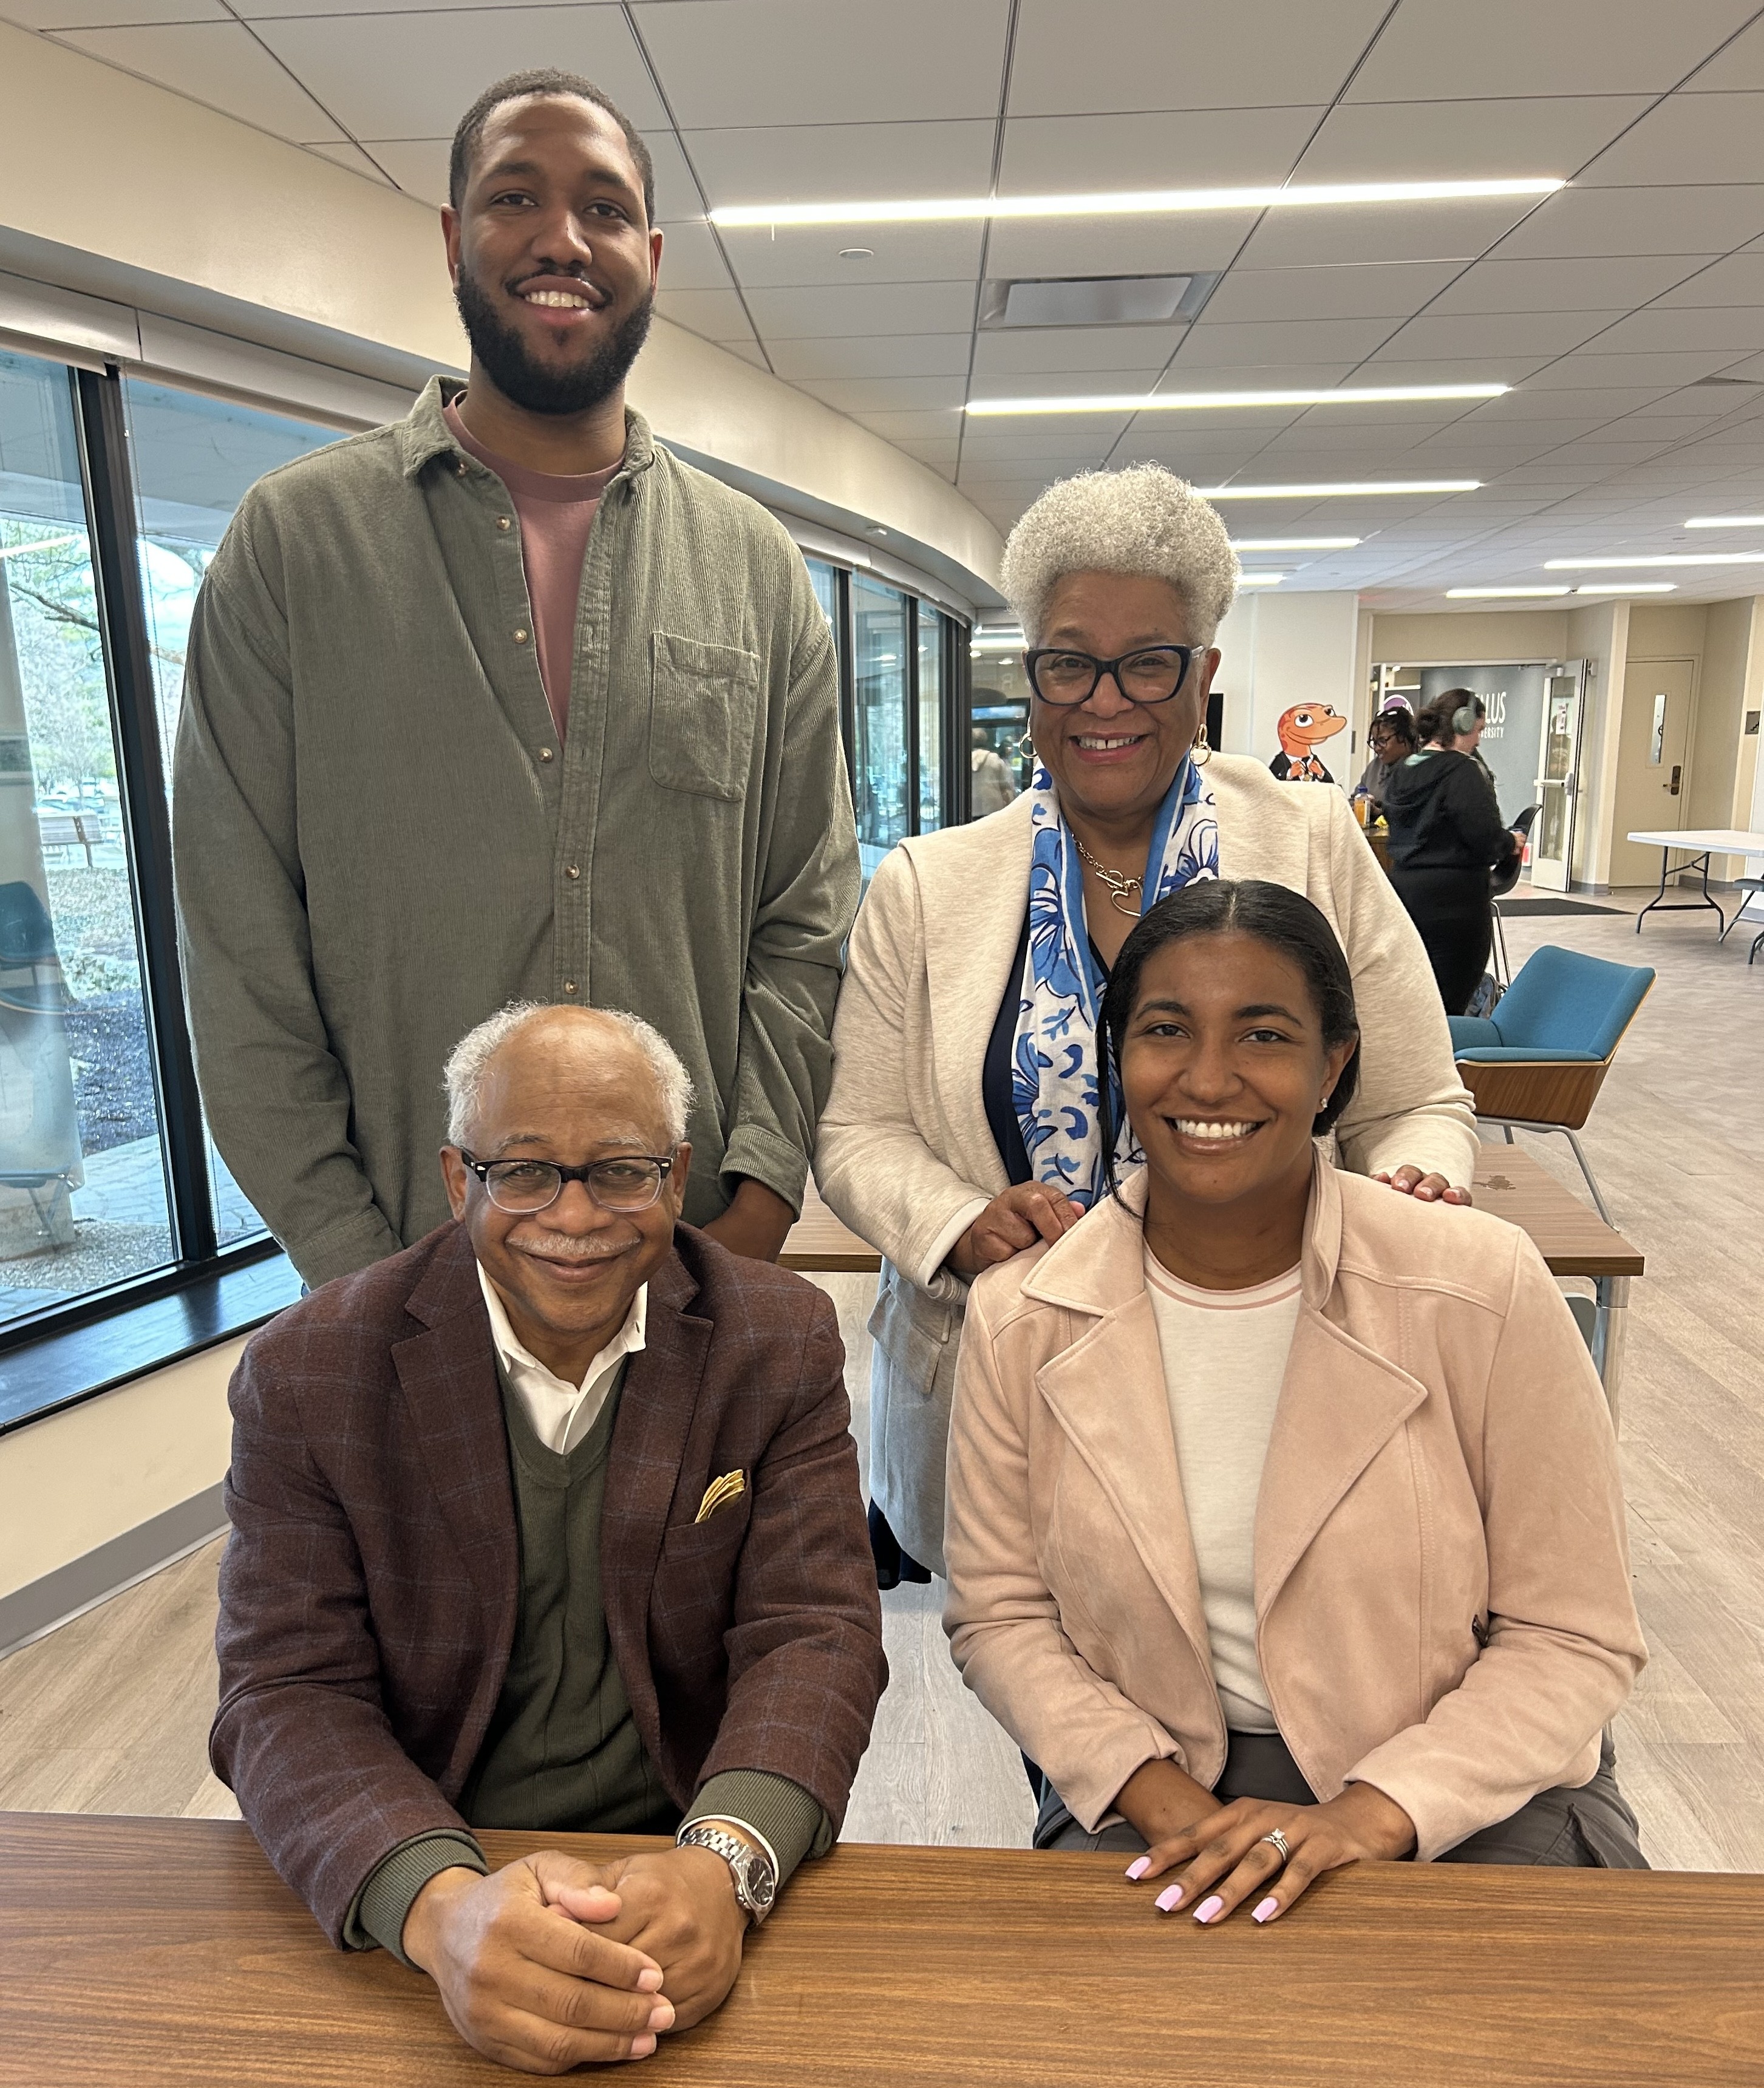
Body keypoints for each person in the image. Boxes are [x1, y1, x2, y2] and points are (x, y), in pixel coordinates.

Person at [173, 69, 857, 1290]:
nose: (561, 239)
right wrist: (355, 1272)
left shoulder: (752, 568)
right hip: (408, 1278)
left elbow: (806, 921)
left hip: (690, 1269)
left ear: (648, 251)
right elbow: (238, 945)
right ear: (453, 239)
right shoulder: (295, 547)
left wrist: (752, 1209)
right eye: (515, 198)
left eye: (602, 209)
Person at [814, 463, 1476, 1585]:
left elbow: (1417, 1101)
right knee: (1047, 1694)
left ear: (1203, 671)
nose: (1103, 699)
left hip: (1270, 1370)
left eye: (1147, 663)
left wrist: (1414, 1186)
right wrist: (962, 1220)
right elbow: (859, 1132)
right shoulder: (930, 884)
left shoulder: (1310, 840)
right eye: (1069, 662)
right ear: (1032, 674)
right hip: (1002, 1377)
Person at [944, 880, 1648, 1916]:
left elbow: (1573, 1632)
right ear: (1118, 1058)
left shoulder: (1480, 1285)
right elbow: (1001, 1616)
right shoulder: (1022, 1316)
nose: (1210, 1076)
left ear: (1334, 1066)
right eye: (1166, 1029)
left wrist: (1367, 1813)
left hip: (1476, 1787)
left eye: (1264, 1034)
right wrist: (1170, 1800)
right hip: (1156, 1787)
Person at [210, 1003, 885, 2072]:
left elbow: (815, 1633)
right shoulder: (311, 1370)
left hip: (683, 1832)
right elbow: (286, 1690)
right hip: (431, 1832)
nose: (574, 1215)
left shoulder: (776, 1335)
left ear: (676, 1175)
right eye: (522, 1171)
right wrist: (436, 1908)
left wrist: (725, 1858)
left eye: (619, 1168)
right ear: (455, 1178)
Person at [1382, 693, 1523, 1016]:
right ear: (1462, 724)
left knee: (1413, 998)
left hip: (1404, 893)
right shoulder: (1463, 772)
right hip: (1456, 903)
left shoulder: (1402, 770)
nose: (1479, 739)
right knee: (1450, 1002)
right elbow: (1484, 838)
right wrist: (1509, 842)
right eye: (1478, 729)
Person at [1352, 705, 1418, 815]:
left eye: (1383, 741)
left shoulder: (1422, 769)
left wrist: (1381, 813)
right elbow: (1354, 799)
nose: (1377, 748)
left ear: (1403, 737)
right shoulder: (1374, 767)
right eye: (1375, 742)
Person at [970, 725, 1019, 817]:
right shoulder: (994, 758)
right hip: (993, 808)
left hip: (972, 807)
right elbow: (1006, 786)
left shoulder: (964, 760)